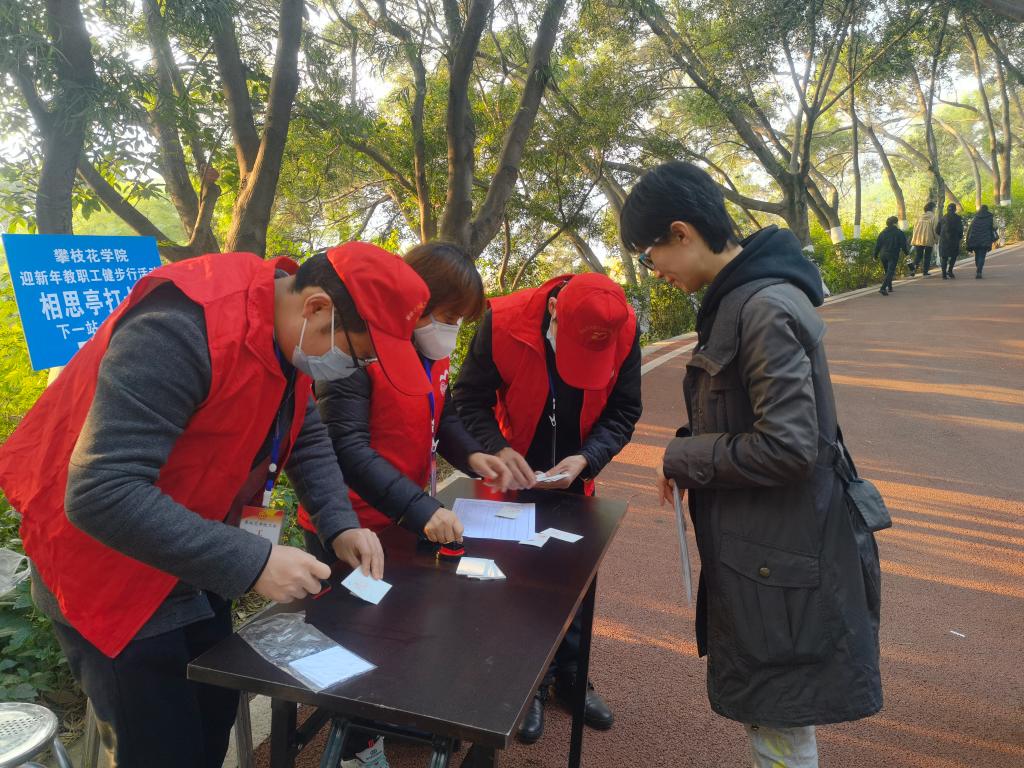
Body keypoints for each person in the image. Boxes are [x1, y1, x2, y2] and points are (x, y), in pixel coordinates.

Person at [0, 243, 430, 768]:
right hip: (110, 568)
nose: (351, 369)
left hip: (194, 550)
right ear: (317, 307)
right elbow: (100, 492)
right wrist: (255, 561)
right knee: (160, 749)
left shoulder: (289, 332)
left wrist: (340, 524)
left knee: (212, 718)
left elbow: (305, 434)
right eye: (357, 355)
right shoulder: (180, 328)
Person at [620, 161, 883, 768]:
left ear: (681, 232)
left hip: (782, 558)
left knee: (779, 726)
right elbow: (744, 416)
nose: (654, 271)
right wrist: (688, 450)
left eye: (649, 255)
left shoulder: (761, 308)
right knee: (774, 719)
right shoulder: (740, 299)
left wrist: (684, 455)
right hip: (768, 550)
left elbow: (789, 446)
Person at [296, 242, 512, 765]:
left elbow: (445, 416)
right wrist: (419, 509)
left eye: (458, 321)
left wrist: (474, 454)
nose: (450, 330)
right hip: (350, 523)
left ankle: (389, 720)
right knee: (354, 639)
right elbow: (345, 448)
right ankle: (358, 746)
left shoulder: (430, 354)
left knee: (398, 630)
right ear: (417, 305)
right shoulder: (355, 350)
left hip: (407, 515)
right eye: (446, 316)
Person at [453, 271, 643, 743]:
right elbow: (469, 400)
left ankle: (572, 675)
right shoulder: (503, 321)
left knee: (576, 574)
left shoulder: (624, 329)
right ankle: (529, 682)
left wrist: (587, 458)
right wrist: (497, 449)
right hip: (511, 475)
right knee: (515, 578)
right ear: (555, 310)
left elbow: (623, 410)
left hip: (574, 476)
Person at [873, 215, 910, 295]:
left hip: (883, 255)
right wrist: (907, 254)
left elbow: (878, 245)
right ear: (894, 223)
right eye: (897, 222)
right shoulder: (899, 233)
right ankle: (883, 288)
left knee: (887, 271)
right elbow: (903, 245)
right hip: (892, 255)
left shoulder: (882, 233)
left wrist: (875, 256)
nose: (898, 224)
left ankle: (890, 287)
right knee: (890, 272)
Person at [966, 204, 1000, 278]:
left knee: (977, 255)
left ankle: (978, 268)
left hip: (974, 239)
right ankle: (979, 271)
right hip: (985, 239)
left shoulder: (975, 216)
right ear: (987, 209)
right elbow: (996, 226)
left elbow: (970, 228)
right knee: (982, 255)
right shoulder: (991, 217)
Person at [909, 201, 939, 276]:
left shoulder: (919, 217)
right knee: (927, 256)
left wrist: (914, 238)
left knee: (918, 255)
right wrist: (936, 239)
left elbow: (914, 228)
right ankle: (925, 271)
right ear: (932, 208)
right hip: (929, 239)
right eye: (934, 207)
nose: (935, 209)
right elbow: (935, 229)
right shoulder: (934, 217)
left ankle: (913, 269)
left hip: (918, 239)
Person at [936, 203, 964, 279]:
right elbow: (960, 230)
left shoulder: (942, 218)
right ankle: (950, 270)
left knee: (944, 257)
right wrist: (960, 237)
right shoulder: (958, 218)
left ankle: (944, 274)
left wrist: (942, 235)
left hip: (944, 241)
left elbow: (937, 230)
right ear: (955, 209)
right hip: (954, 240)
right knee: (954, 256)